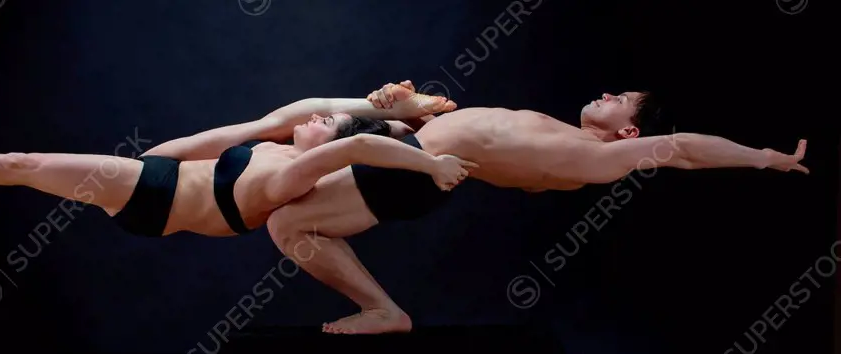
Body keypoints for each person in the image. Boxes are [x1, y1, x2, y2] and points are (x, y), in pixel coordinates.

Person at [266, 80, 810, 334]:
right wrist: (410, 115)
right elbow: (518, 175)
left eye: (618, 98)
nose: (604, 92)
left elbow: (687, 149)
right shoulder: (563, 141)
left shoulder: (604, 159)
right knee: (276, 162)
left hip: (410, 170)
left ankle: (385, 311)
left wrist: (766, 157)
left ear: (630, 129)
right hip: (408, 150)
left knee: (286, 219)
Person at [0, 90, 477, 238]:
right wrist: (403, 113)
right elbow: (348, 128)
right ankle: (391, 104)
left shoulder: (297, 173)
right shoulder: (286, 149)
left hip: (160, 195)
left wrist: (434, 166)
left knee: (16, 164)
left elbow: (359, 144)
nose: (311, 125)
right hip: (169, 181)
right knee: (281, 115)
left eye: (322, 128)